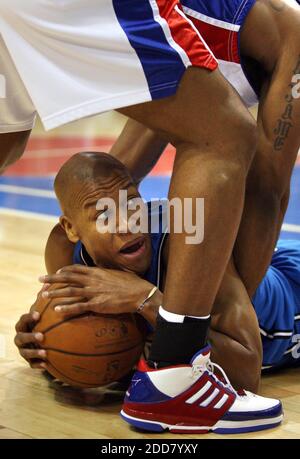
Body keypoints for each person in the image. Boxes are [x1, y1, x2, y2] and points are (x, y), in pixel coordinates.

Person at [15, 152, 283, 434]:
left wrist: (147, 299)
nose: (127, 223)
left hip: (289, 297)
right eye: (104, 214)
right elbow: (76, 344)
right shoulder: (66, 254)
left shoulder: (184, 241)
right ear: (71, 228)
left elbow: (247, 375)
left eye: (132, 203)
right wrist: (43, 345)